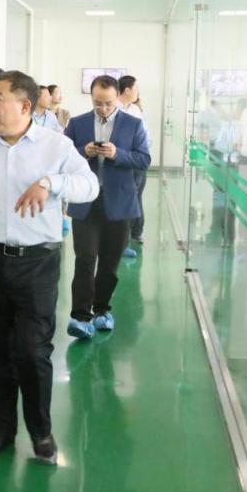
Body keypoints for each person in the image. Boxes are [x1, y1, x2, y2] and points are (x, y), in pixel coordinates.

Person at [0, 71, 99, 466]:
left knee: (32, 351)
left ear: (25, 105)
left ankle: (41, 431)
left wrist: (51, 183)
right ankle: (0, 429)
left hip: (37, 264)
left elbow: (89, 186)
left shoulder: (56, 146)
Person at [63, 75, 151, 339]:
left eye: (108, 103)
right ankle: (80, 316)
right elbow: (62, 156)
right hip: (85, 203)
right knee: (85, 257)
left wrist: (117, 154)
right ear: (91, 98)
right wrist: (84, 151)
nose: (103, 108)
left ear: (117, 98)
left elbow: (144, 159)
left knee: (110, 262)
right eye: (97, 103)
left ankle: (101, 309)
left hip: (119, 203)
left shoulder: (133, 124)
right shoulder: (77, 123)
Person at [118, 75, 151, 252]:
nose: (138, 92)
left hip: (138, 160)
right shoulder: (114, 109)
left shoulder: (135, 110)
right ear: (127, 90)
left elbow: (145, 135)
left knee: (137, 196)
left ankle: (136, 232)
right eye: (136, 88)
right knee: (125, 198)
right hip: (123, 160)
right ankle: (122, 239)